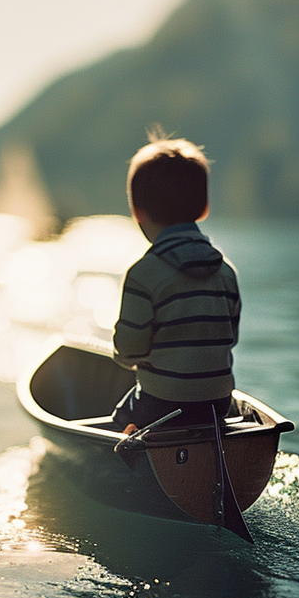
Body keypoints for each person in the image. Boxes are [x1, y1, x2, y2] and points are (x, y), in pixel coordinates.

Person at [112, 133, 240, 431]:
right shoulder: (226, 272)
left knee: (121, 416)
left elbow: (128, 350)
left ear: (137, 212)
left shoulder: (144, 274)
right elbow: (228, 337)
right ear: (204, 208)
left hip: (162, 406)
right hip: (217, 405)